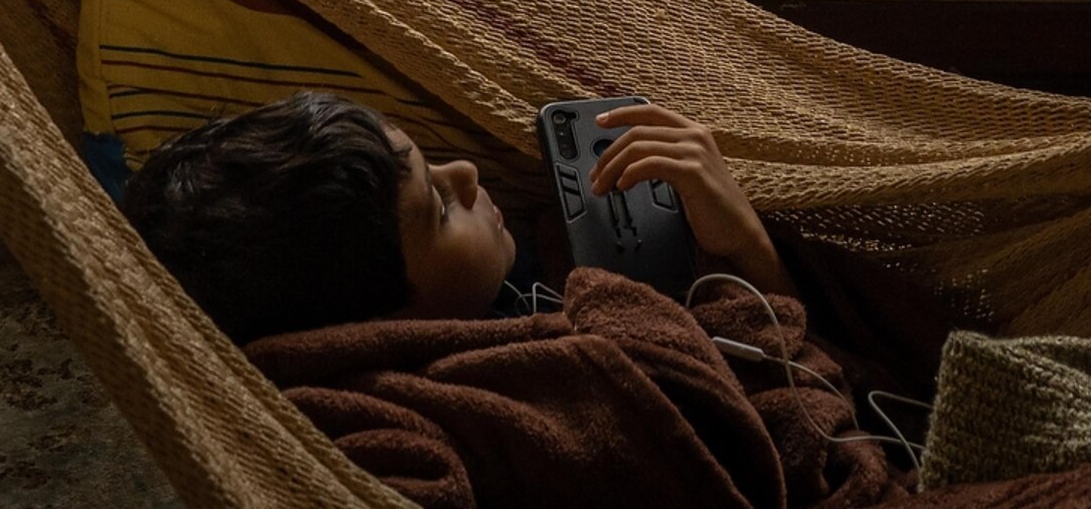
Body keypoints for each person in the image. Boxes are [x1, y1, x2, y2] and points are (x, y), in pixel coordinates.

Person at [123, 90, 791, 344]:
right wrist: (751, 254)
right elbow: (799, 402)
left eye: (432, 161)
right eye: (439, 209)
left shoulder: (509, 277)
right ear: (378, 328)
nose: (467, 174)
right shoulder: (521, 378)